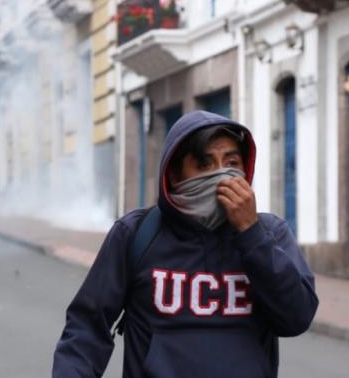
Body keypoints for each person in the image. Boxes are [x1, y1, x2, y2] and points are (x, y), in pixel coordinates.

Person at [53, 110, 318, 378]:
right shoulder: (135, 234)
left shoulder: (270, 233)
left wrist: (251, 236)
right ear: (175, 175)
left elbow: (297, 318)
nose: (221, 176)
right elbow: (87, 327)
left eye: (232, 163)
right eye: (204, 165)